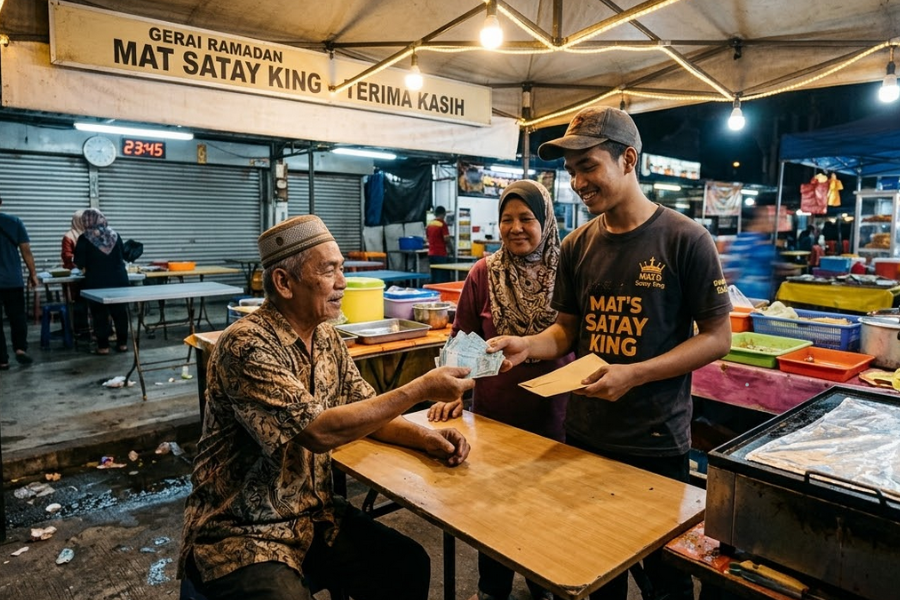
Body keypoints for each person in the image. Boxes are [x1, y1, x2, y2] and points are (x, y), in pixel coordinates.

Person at [489, 107, 733, 600]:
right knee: (593, 569)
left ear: (627, 158)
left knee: (666, 577)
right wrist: (528, 347)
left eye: (588, 166)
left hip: (655, 440)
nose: (578, 182)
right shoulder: (578, 246)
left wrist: (635, 374)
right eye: (572, 171)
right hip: (584, 435)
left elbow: (717, 336)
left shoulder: (686, 239)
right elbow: (565, 333)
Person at [178, 215, 476, 600]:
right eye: (329, 271)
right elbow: (319, 431)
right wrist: (420, 388)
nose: (342, 282)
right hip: (241, 531)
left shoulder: (327, 338)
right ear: (284, 283)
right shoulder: (246, 345)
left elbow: (367, 410)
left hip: (312, 515)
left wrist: (426, 438)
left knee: (406, 563)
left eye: (342, 269)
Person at [427, 179, 573, 600]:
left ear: (546, 221)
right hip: (496, 414)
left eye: (526, 218)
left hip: (556, 417)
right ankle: (493, 589)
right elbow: (462, 340)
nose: (515, 228)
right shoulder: (483, 273)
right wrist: (453, 393)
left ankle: (543, 584)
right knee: (495, 508)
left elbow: (579, 338)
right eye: (506, 219)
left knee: (549, 509)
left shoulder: (569, 271)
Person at [73, 208, 130, 354]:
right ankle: (122, 344)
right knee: (120, 312)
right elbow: (123, 254)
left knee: (99, 314)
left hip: (97, 280)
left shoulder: (85, 238)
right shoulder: (114, 235)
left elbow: (79, 262)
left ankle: (103, 347)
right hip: (119, 279)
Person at [0, 193, 38, 369]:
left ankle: (2, 359)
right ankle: (20, 349)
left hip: (9, 280)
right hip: (12, 280)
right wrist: (33, 274)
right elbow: (26, 251)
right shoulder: (14, 222)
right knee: (17, 316)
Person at [427, 205, 454, 283]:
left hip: (431, 254)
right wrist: (452, 249)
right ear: (443, 214)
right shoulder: (442, 224)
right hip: (440, 254)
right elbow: (446, 239)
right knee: (442, 276)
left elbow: (428, 238)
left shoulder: (430, 224)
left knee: (434, 275)